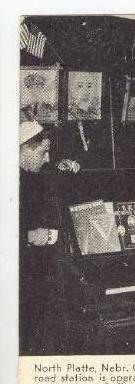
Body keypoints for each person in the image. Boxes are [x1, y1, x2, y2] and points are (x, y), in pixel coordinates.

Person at [19, 120, 60, 355]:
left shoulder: (30, 178)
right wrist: (28, 236)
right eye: (43, 152)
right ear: (24, 148)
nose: (47, 160)